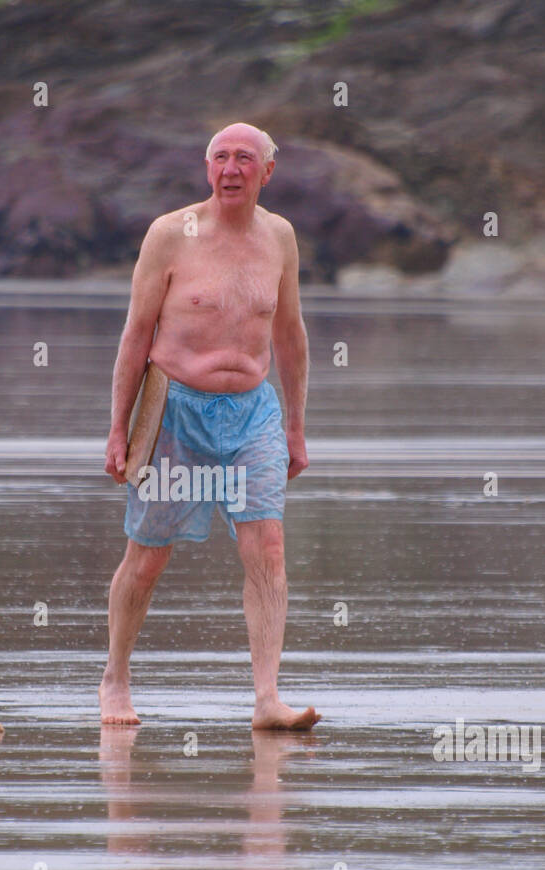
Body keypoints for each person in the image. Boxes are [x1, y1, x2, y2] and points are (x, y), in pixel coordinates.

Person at [100, 122, 319, 731]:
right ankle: (115, 678)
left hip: (253, 411)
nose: (231, 169)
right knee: (148, 557)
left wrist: (297, 427)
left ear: (266, 172)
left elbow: (291, 335)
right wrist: (118, 429)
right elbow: (135, 334)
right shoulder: (171, 235)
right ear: (206, 168)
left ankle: (268, 697)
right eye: (220, 158)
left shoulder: (280, 237)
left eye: (244, 159)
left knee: (267, 547)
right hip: (174, 409)